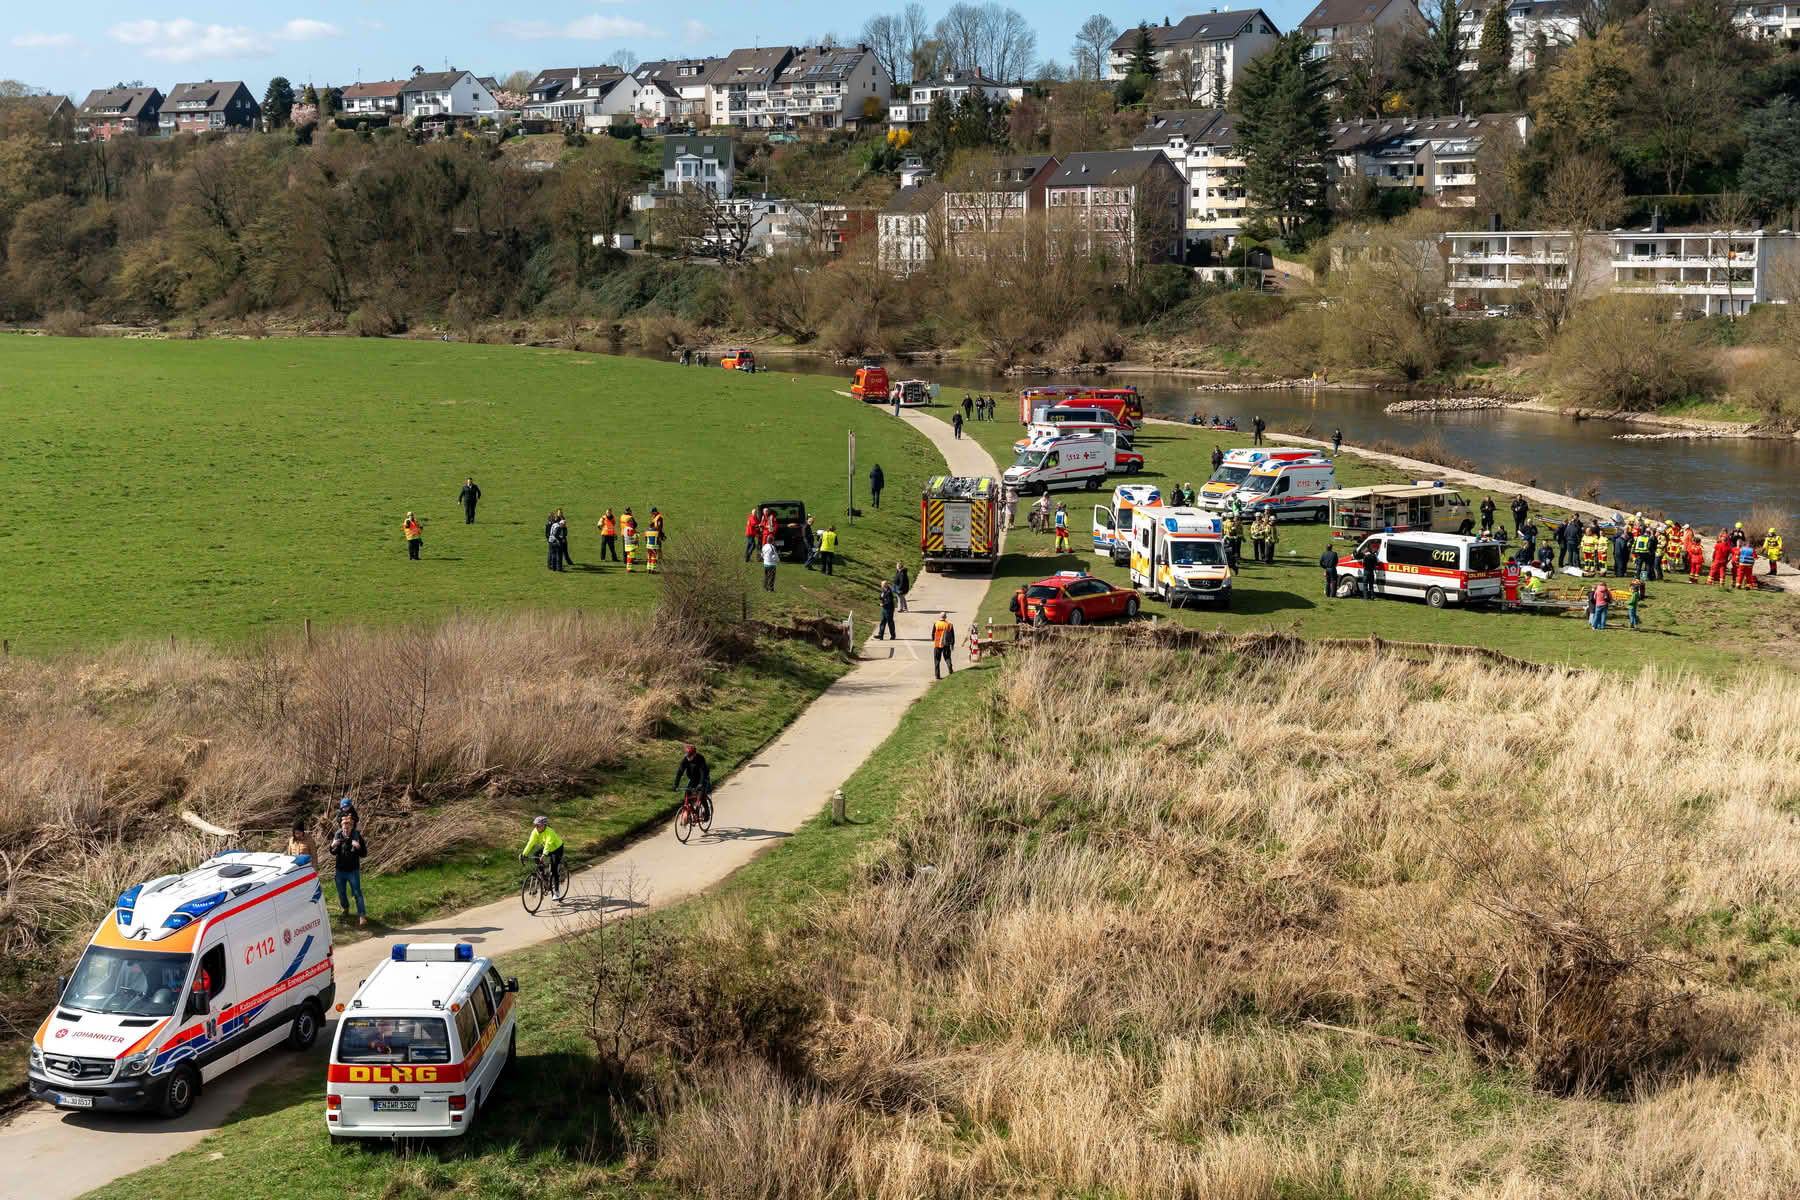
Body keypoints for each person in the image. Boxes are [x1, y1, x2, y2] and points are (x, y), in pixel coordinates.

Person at [327, 812, 368, 927]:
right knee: (341, 893)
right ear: (341, 827)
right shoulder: (339, 836)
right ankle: (345, 909)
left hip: (353, 871)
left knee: (357, 893)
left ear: (351, 826)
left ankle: (362, 916)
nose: (346, 829)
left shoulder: (357, 836)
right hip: (340, 871)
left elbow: (364, 854)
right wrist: (332, 846)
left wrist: (358, 847)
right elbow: (333, 852)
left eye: (348, 827)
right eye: (344, 827)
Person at [519, 815, 566, 895]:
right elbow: (530, 843)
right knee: (535, 854)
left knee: (554, 869)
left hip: (557, 849)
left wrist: (544, 855)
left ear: (544, 825)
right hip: (547, 848)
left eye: (538, 825)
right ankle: (542, 874)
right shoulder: (535, 831)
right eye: (535, 825)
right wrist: (524, 854)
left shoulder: (550, 832)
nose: (536, 827)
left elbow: (548, 844)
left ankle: (556, 891)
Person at [672, 745, 712, 821]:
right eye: (687, 756)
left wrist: (700, 784)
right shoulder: (685, 760)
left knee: (701, 795)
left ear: (694, 754)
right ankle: (692, 812)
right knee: (687, 795)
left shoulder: (700, 758)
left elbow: (702, 772)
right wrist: (675, 784)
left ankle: (707, 813)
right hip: (693, 779)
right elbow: (680, 772)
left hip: (703, 778)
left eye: (690, 756)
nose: (688, 758)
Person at [932, 612, 955, 679]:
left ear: (940, 617)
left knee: (937, 660)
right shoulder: (949, 625)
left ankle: (937, 675)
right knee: (947, 658)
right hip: (946, 645)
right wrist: (952, 644)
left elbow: (933, 634)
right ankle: (950, 668)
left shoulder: (936, 624)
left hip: (937, 645)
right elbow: (952, 636)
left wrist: (933, 639)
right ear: (945, 617)